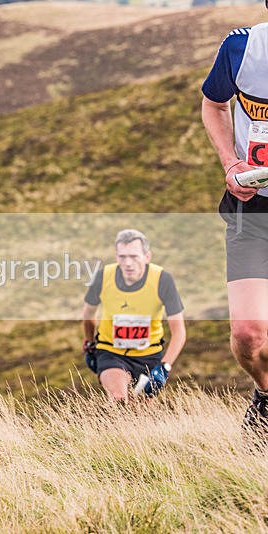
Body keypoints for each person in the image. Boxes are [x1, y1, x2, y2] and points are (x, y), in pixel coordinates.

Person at [201, 11, 268, 437]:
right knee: (248, 333)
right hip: (253, 209)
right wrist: (230, 162)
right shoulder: (242, 47)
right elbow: (213, 104)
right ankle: (266, 394)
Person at [82, 229, 185, 403]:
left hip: (150, 356)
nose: (128, 263)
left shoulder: (162, 280)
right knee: (119, 399)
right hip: (111, 352)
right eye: (122, 257)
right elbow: (88, 313)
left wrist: (164, 367)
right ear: (116, 256)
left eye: (134, 256)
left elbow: (179, 332)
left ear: (147, 256)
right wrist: (90, 343)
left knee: (140, 414)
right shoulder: (103, 277)